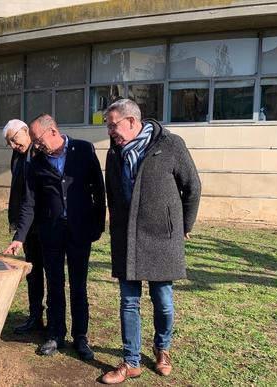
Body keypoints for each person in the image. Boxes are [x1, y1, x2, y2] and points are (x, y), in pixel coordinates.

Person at [100, 99, 201, 384]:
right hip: (126, 237)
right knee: (128, 301)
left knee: (163, 301)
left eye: (112, 125)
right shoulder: (114, 152)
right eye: (108, 126)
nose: (110, 131)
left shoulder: (170, 144)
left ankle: (162, 348)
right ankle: (131, 361)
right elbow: (111, 191)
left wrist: (185, 224)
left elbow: (192, 186)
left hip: (162, 237)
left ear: (131, 121)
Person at [5, 114, 106, 360]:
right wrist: (19, 237)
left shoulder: (83, 149)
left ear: (52, 132)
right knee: (55, 283)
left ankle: (80, 336)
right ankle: (56, 333)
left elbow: (98, 189)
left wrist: (98, 225)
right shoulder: (36, 162)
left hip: (80, 230)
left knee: (79, 286)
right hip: (50, 233)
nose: (35, 145)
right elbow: (29, 203)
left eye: (38, 140)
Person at [2, 119, 46, 334]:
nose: (12, 145)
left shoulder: (40, 152)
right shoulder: (17, 155)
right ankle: (35, 316)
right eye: (9, 142)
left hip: (45, 225)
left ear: (26, 131)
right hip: (28, 227)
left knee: (53, 276)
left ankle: (55, 325)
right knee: (33, 273)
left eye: (14, 139)